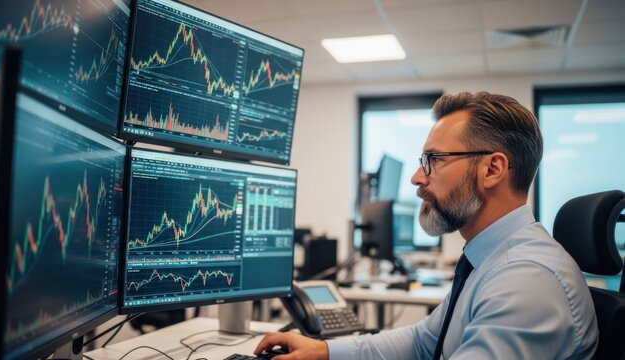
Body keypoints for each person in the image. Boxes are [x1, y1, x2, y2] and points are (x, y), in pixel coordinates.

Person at [254, 91, 598, 360]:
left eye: (434, 160)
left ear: (492, 170)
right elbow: (424, 340)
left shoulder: (526, 281)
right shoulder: (489, 260)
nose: (418, 178)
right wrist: (325, 352)